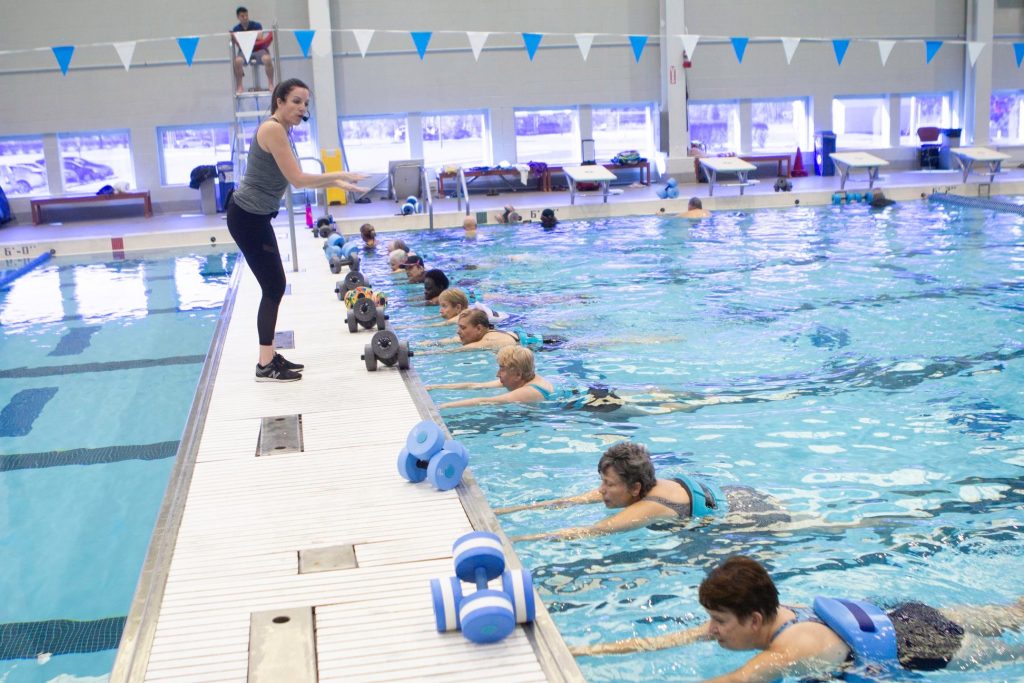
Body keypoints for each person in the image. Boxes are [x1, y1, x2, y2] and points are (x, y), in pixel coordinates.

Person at [571, 556, 1024, 682]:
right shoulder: (771, 614)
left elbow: (734, 682)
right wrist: (587, 652)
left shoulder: (791, 647)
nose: (710, 632)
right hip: (903, 616)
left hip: (926, 648)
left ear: (752, 619)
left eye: (718, 622)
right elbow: (666, 642)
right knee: (1014, 612)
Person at [226, 78, 366, 382]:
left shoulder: (283, 130)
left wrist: (336, 183)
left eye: (305, 103)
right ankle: (265, 364)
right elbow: (299, 180)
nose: (302, 108)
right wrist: (339, 174)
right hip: (247, 217)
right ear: (279, 100)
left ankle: (269, 356)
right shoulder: (273, 129)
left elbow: (294, 178)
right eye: (296, 101)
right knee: (274, 286)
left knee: (274, 284)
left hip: (256, 216)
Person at [495, 442, 787, 540]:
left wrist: (517, 539)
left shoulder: (649, 506)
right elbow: (571, 501)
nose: (601, 491)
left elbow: (593, 531)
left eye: (609, 485)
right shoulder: (637, 483)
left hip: (750, 514)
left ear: (635, 489)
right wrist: (503, 512)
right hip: (732, 492)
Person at [426, 345, 557, 408]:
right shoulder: (519, 378)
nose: (497, 374)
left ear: (517, 374)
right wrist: (435, 386)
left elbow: (484, 401)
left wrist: (439, 408)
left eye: (502, 369)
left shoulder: (528, 391)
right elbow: (475, 386)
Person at [231, 6, 274, 94]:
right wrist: (251, 36)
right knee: (237, 61)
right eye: (243, 16)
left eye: (246, 15)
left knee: (267, 59)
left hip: (259, 49)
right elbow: (236, 41)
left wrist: (243, 37)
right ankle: (239, 86)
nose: (245, 18)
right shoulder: (236, 29)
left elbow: (260, 37)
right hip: (244, 51)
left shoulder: (256, 25)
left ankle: (270, 83)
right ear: (238, 17)